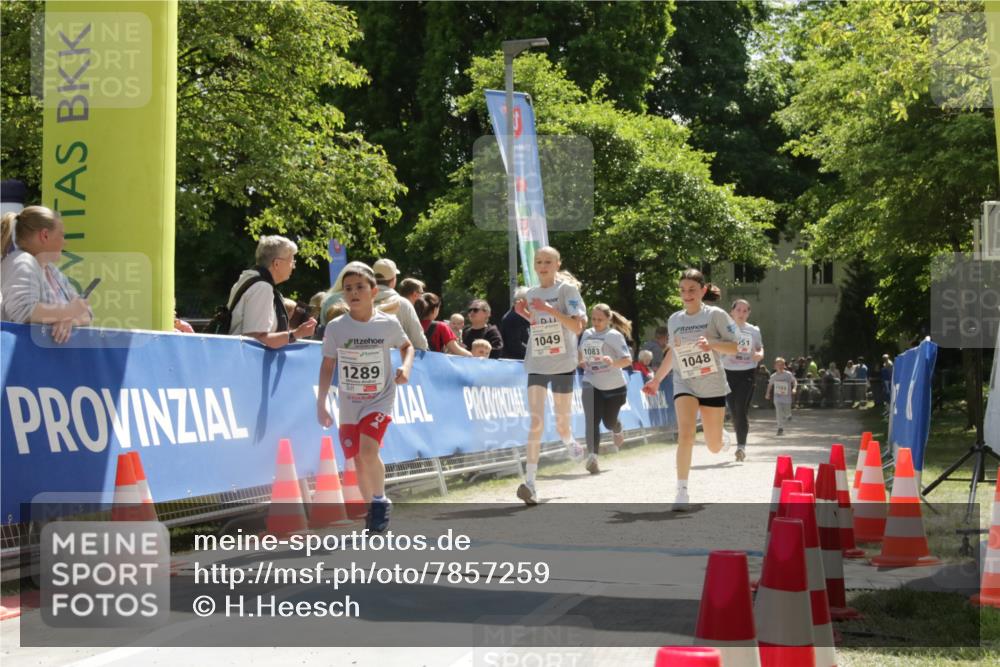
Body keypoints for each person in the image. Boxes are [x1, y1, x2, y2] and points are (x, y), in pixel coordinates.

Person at [316, 262, 414, 533]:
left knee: (369, 450)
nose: (353, 293)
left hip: (379, 398)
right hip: (350, 402)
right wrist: (321, 403)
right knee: (357, 458)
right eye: (348, 288)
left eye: (360, 287)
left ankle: (381, 501)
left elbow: (407, 347)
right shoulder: (336, 327)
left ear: (373, 292)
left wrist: (406, 368)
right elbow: (327, 365)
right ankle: (372, 506)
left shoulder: (387, 323)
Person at [643, 268, 739, 511]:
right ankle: (681, 491)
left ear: (703, 290)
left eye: (692, 290)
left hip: (712, 384)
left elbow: (736, 347)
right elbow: (673, 354)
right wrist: (656, 379)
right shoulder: (675, 320)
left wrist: (712, 344)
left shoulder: (715, 315)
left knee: (713, 446)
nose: (687, 294)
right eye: (683, 290)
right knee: (685, 434)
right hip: (684, 382)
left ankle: (719, 435)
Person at [517, 246, 587, 505]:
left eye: (548, 261)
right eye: (538, 262)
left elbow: (577, 326)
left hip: (562, 363)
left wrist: (549, 309)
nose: (542, 266)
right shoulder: (531, 293)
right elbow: (540, 326)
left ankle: (569, 442)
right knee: (536, 421)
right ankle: (530, 483)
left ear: (558, 264)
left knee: (561, 424)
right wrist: (526, 316)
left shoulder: (567, 291)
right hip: (537, 362)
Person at [0, 206, 92, 343]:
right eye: (62, 235)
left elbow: (86, 314)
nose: (65, 242)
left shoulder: (52, 271)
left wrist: (67, 321)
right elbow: (23, 311)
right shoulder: (22, 261)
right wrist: (67, 311)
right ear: (45, 235)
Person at [226, 235, 316, 347]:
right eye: (292, 261)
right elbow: (256, 340)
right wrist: (297, 334)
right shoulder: (262, 288)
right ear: (277, 263)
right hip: (245, 356)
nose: (293, 266)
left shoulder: (249, 278)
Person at [579, 304, 633, 473]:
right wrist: (582, 361)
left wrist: (613, 362)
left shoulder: (614, 336)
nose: (596, 323)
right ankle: (592, 457)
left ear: (608, 319)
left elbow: (627, 360)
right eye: (593, 319)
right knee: (591, 420)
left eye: (600, 320)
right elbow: (580, 355)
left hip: (614, 385)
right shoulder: (587, 334)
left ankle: (617, 427)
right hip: (591, 381)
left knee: (609, 422)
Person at [721, 298, 764, 462]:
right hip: (728, 372)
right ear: (732, 312)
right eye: (738, 310)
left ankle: (741, 447)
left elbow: (760, 348)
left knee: (740, 408)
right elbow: (716, 347)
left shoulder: (754, 330)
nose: (741, 313)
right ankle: (739, 442)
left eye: (745, 311)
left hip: (747, 372)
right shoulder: (725, 329)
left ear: (749, 313)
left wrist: (759, 355)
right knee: (734, 411)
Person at [372, 258, 429, 351]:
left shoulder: (357, 304)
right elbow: (420, 343)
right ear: (394, 279)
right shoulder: (403, 304)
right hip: (395, 359)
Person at [414, 292, 472, 356]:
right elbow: (456, 350)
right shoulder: (441, 326)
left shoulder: (411, 325)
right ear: (435, 309)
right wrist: (471, 355)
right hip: (432, 361)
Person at [765, 357, 797, 435]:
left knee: (787, 412)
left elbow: (794, 381)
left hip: (787, 398)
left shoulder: (788, 374)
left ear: (784, 365)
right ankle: (780, 428)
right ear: (775, 366)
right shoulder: (773, 376)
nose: (780, 366)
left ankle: (788, 415)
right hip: (777, 398)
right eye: (778, 364)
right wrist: (767, 393)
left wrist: (794, 388)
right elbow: (770, 385)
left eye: (782, 364)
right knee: (778, 412)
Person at [499, 286, 531, 360]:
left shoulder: (522, 316)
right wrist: (532, 353)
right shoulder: (512, 318)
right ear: (523, 301)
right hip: (516, 361)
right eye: (531, 299)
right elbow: (515, 344)